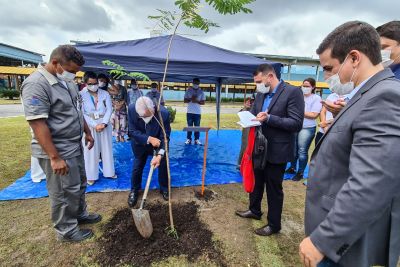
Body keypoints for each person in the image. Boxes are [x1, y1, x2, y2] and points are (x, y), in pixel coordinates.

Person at [300, 21, 400, 267]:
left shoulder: (384, 96)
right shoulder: (365, 94)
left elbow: (372, 182)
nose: (327, 77)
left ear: (354, 58)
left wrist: (324, 241)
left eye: (329, 68)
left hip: (341, 246)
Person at [21, 45, 101, 242]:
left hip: (74, 145)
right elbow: (37, 122)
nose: (74, 75)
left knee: (79, 183)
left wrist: (87, 131)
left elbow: (76, 110)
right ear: (55, 63)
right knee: (63, 191)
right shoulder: (36, 84)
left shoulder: (68, 83)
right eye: (71, 70)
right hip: (56, 149)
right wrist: (54, 157)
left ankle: (79, 214)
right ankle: (66, 230)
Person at [235, 64, 304, 236]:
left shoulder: (293, 92)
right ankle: (254, 210)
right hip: (259, 147)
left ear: (270, 76)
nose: (257, 85)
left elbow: (296, 123)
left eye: (259, 81)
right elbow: (253, 113)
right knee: (257, 182)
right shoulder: (260, 93)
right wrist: (247, 118)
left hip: (277, 150)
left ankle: (274, 225)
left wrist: (270, 118)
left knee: (274, 188)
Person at [127, 96, 171, 207]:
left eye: (146, 116)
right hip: (139, 144)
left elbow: (165, 138)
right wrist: (149, 139)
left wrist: (160, 155)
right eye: (141, 116)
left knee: (163, 164)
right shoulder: (132, 109)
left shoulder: (163, 114)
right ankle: (134, 191)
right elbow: (132, 131)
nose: (143, 119)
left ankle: (164, 188)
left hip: (157, 144)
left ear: (152, 110)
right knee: (137, 166)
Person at [80, 71, 116, 186]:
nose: (94, 85)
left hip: (104, 124)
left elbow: (109, 109)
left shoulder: (105, 93)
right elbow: (82, 113)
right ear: (85, 83)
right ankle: (91, 175)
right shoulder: (81, 95)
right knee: (90, 150)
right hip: (89, 125)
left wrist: (104, 123)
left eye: (95, 83)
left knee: (107, 148)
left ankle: (109, 172)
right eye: (90, 83)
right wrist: (94, 125)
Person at [286, 78, 322, 181]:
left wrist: (298, 111)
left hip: (307, 128)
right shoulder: (299, 96)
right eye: (303, 85)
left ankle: (300, 172)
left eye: (307, 86)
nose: (305, 88)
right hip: (295, 126)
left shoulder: (316, 98)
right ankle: (292, 168)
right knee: (293, 149)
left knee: (302, 151)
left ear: (313, 87)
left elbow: (314, 115)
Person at [184, 78, 205, 145]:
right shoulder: (188, 90)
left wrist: (197, 101)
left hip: (197, 112)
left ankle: (197, 139)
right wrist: (191, 99)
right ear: (192, 83)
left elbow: (203, 102)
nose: (196, 84)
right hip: (189, 111)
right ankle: (188, 139)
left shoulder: (201, 92)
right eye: (195, 83)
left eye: (197, 83)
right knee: (189, 126)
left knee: (197, 126)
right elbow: (184, 100)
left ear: (199, 83)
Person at [237, 96, 254, 169]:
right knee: (244, 147)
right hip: (246, 131)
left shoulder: (255, 110)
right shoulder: (243, 110)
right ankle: (240, 163)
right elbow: (241, 115)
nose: (249, 103)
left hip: (253, 131)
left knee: (253, 148)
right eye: (247, 102)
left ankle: (250, 164)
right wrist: (245, 107)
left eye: (251, 102)